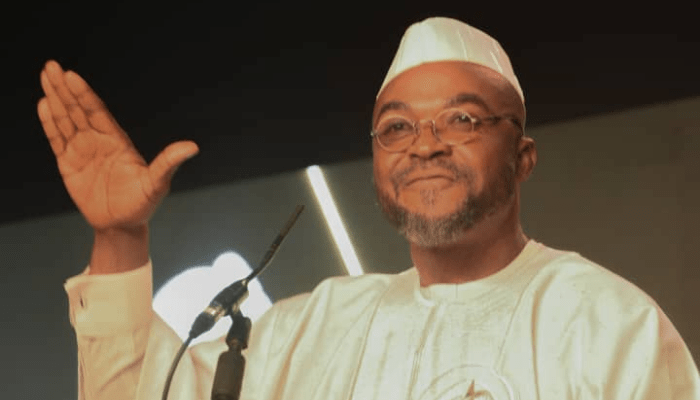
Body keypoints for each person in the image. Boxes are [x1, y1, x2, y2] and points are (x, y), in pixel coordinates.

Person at [39, 17, 699, 400]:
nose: (425, 145)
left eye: (461, 119)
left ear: (523, 156)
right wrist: (120, 236)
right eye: (397, 127)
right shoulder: (310, 331)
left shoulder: (608, 323)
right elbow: (141, 392)